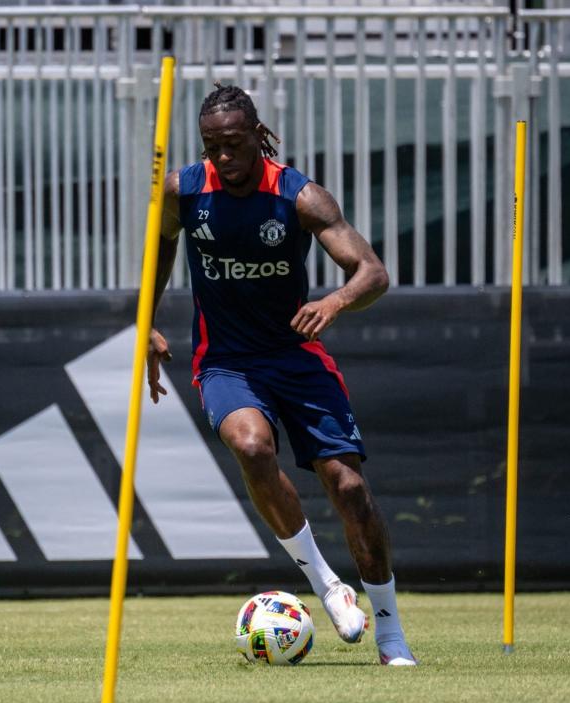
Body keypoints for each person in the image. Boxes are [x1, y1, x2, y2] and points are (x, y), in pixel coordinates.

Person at [146, 83, 416, 666]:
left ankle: (391, 634)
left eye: (234, 144)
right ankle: (325, 584)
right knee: (250, 444)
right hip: (227, 362)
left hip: (297, 359)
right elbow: (159, 247)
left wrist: (335, 302)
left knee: (348, 488)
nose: (223, 158)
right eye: (211, 146)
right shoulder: (183, 190)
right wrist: (145, 320)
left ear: (258, 136)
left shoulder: (300, 196)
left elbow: (372, 272)